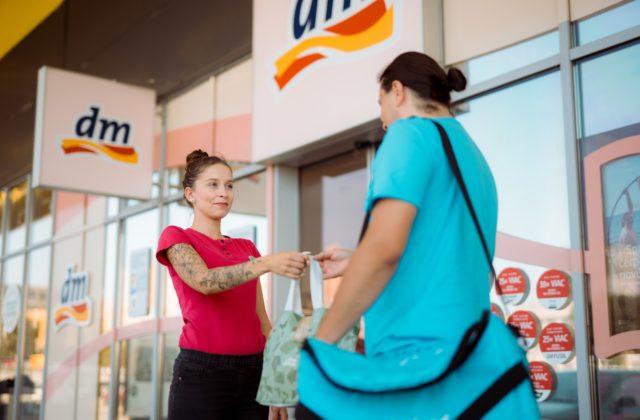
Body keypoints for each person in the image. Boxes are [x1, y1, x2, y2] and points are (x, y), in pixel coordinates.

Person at [310, 51, 537, 417]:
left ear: (397, 91)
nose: (382, 118)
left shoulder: (409, 134)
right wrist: (356, 260)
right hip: (465, 356)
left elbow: (385, 249)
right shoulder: (472, 154)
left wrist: (321, 345)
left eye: (381, 103)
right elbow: (442, 252)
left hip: (416, 360)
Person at [156, 150, 306, 420]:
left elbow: (263, 323)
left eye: (229, 185)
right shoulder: (176, 237)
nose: (223, 193)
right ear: (190, 194)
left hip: (254, 375)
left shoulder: (246, 247)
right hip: (201, 376)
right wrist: (265, 263)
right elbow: (204, 281)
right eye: (213, 185)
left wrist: (275, 386)